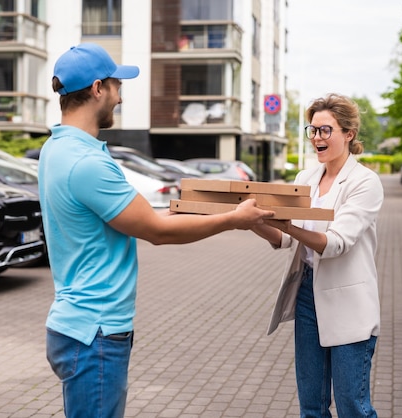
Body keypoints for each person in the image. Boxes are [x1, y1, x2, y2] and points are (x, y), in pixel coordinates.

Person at [38, 42, 274, 418]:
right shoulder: (84, 162)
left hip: (79, 327)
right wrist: (234, 220)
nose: (120, 96)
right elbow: (157, 230)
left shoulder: (57, 148)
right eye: (117, 85)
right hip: (94, 333)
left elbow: (134, 214)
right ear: (98, 88)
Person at [251, 93, 384, 417]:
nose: (317, 138)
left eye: (326, 130)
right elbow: (285, 239)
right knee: (311, 406)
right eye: (313, 130)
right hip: (308, 295)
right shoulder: (305, 179)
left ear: (348, 134)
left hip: (348, 302)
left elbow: (336, 242)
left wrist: (288, 226)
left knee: (353, 407)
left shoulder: (365, 182)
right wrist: (249, 222)